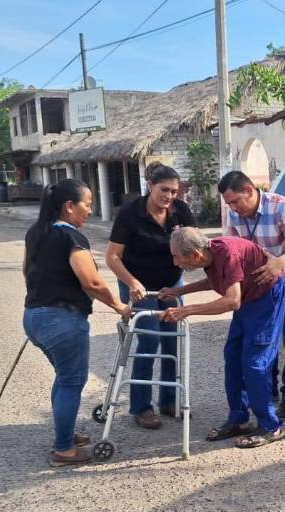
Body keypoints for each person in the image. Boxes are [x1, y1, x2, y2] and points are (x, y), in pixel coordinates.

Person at [23, 179, 129, 467]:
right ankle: (64, 450)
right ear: (69, 207)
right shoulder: (71, 237)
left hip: (35, 316)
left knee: (64, 376)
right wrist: (120, 306)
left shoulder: (36, 232)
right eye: (87, 205)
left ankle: (65, 434)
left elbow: (28, 271)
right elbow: (92, 281)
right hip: (62, 319)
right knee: (72, 380)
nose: (90, 211)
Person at [158, 227, 285, 448]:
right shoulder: (210, 255)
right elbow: (219, 281)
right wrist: (179, 291)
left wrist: (186, 311)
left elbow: (231, 301)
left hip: (266, 298)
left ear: (195, 255)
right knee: (233, 356)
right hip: (247, 298)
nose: (175, 263)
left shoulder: (228, 253)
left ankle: (271, 426)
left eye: (177, 257)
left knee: (255, 363)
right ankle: (238, 419)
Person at [217, 171, 285, 418]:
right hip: (261, 288)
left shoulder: (281, 206)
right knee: (262, 339)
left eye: (236, 201)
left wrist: (277, 263)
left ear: (249, 190)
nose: (233, 208)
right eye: (229, 203)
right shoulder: (233, 214)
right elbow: (232, 251)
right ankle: (268, 391)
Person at [105, 163, 195, 429]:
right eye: (164, 190)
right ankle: (141, 407)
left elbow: (195, 245)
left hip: (170, 284)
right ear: (150, 186)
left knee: (171, 342)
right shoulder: (130, 213)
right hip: (138, 286)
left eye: (174, 191)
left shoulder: (181, 211)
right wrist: (132, 282)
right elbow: (112, 257)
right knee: (150, 340)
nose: (169, 196)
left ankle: (169, 401)